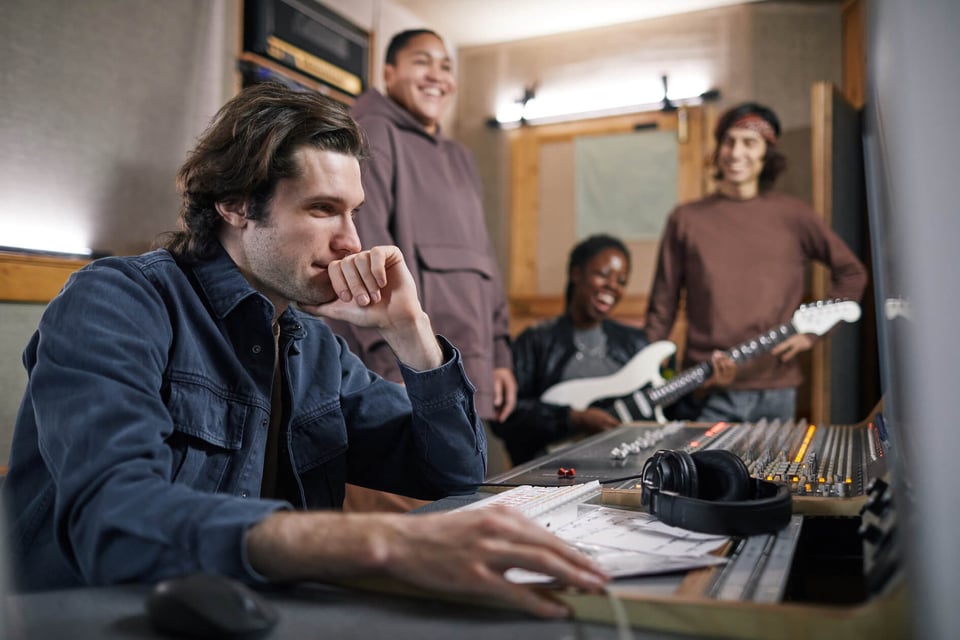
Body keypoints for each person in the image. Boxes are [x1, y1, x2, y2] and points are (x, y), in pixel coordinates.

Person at [0, 82, 608, 617]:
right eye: (322, 210)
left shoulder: (313, 344)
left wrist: (410, 333)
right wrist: (374, 544)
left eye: (354, 213)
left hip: (258, 614)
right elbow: (113, 518)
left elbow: (451, 471)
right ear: (235, 203)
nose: (351, 242)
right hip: (101, 621)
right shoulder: (116, 301)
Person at [323, 29, 517, 486]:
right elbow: (365, 257)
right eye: (421, 62)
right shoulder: (371, 132)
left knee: (482, 488)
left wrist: (500, 357)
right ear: (387, 73)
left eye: (446, 66)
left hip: (462, 361)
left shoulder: (460, 156)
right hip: (406, 367)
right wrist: (395, 365)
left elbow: (484, 260)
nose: (437, 76)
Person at [644, 102, 868, 424]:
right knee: (704, 475)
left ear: (767, 155)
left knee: (771, 476)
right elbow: (661, 306)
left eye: (750, 143)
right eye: (728, 141)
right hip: (705, 387)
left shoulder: (794, 215)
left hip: (776, 390)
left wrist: (812, 336)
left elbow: (852, 274)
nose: (736, 153)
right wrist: (647, 373)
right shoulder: (686, 219)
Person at [493, 235, 735, 465]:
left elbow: (666, 414)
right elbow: (506, 417)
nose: (612, 286)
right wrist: (572, 419)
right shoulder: (535, 341)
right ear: (576, 273)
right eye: (603, 274)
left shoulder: (636, 343)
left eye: (621, 281)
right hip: (552, 471)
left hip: (626, 468)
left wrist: (701, 392)